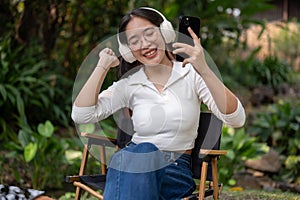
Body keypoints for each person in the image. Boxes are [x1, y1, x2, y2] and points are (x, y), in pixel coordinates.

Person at [71, 7, 246, 200]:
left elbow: (236, 119)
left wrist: (204, 68)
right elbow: (81, 115)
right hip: (130, 164)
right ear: (128, 51)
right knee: (136, 154)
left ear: (165, 32)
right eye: (134, 41)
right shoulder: (129, 83)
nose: (144, 44)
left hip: (174, 171)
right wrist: (102, 66)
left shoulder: (191, 74)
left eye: (149, 33)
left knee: (144, 152)